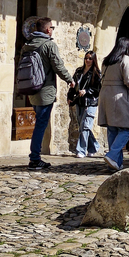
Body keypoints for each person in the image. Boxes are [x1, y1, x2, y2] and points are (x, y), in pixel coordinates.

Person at [20, 17, 74, 170]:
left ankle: (35, 157)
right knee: (41, 124)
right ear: (47, 30)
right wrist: (70, 80)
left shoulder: (28, 45)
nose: (52, 30)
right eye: (52, 28)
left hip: (32, 89)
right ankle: (35, 158)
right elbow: (58, 65)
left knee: (39, 123)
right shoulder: (49, 45)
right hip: (45, 91)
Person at [98, 37, 129, 171]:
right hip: (119, 96)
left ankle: (115, 164)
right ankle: (111, 155)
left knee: (112, 129)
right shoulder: (125, 59)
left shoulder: (107, 60)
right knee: (127, 128)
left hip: (105, 95)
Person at [69, 51, 102, 158]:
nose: (87, 60)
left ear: (94, 60)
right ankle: (93, 147)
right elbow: (73, 85)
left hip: (91, 102)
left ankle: (81, 150)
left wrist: (86, 91)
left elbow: (97, 89)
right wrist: (70, 97)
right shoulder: (79, 71)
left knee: (85, 126)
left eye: (90, 58)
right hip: (80, 102)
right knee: (82, 126)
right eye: (86, 58)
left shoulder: (96, 73)